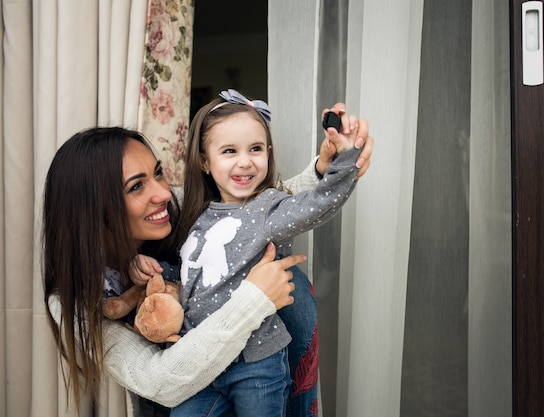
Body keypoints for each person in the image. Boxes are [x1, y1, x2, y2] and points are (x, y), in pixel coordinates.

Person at [42, 116, 372, 415]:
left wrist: (324, 170)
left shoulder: (179, 205)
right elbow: (160, 381)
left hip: (255, 368)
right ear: (92, 211)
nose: (162, 192)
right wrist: (253, 298)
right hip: (180, 395)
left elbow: (257, 214)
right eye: (136, 186)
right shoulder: (73, 303)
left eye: (157, 173)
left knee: (292, 284)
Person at [168, 89, 364, 417]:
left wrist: (344, 160)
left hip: (255, 368)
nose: (245, 161)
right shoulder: (196, 216)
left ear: (268, 153)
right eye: (229, 151)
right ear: (204, 161)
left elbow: (317, 203)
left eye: (255, 149)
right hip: (203, 364)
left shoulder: (269, 209)